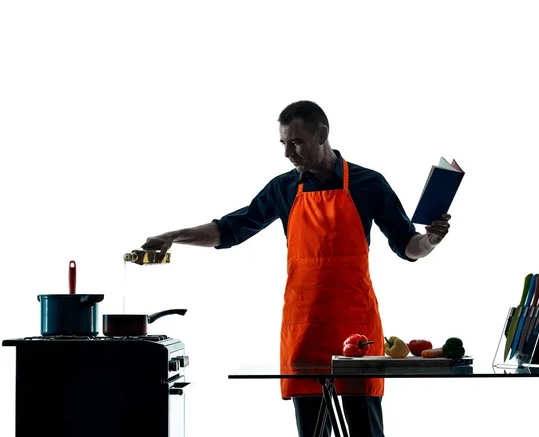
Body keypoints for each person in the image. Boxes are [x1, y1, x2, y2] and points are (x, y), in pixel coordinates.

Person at [140, 100, 451, 437]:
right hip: (305, 330)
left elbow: (408, 245)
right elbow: (228, 230)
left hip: (356, 330)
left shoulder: (369, 184)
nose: (288, 152)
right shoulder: (283, 188)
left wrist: (431, 240)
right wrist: (173, 236)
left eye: (296, 142)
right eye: (283, 143)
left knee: (366, 431)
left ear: (322, 134)